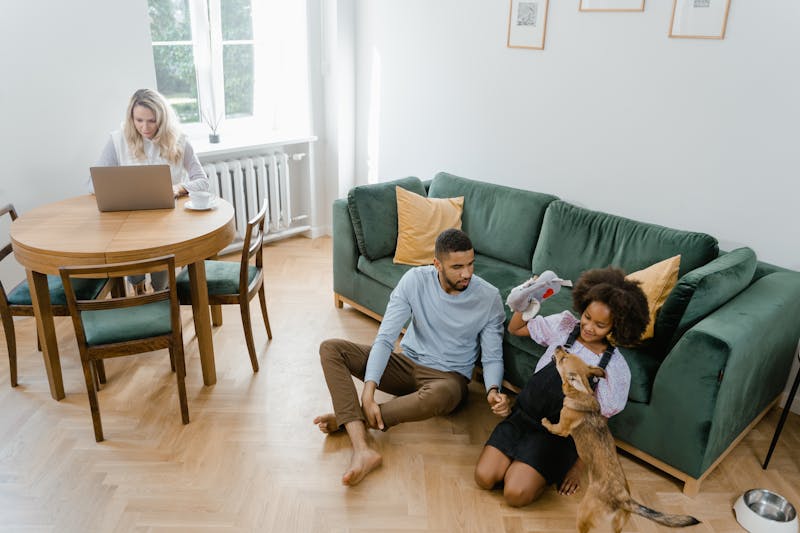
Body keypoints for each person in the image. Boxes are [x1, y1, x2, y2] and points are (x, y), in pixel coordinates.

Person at [314, 228, 511, 486]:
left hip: (448, 380)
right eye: (458, 267)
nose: (467, 274)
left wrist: (493, 390)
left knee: (441, 394)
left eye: (471, 264)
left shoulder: (488, 297)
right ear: (437, 264)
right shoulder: (415, 281)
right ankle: (362, 449)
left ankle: (348, 418)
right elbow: (385, 337)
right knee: (331, 348)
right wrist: (368, 391)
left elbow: (493, 356)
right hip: (406, 363)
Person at [474, 267, 649, 507]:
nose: (588, 327)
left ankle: (542, 466)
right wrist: (526, 301)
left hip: (556, 437)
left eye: (600, 325)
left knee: (515, 494)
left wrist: (577, 468)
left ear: (615, 327)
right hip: (522, 419)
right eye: (587, 316)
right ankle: (520, 462)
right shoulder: (564, 325)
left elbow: (597, 425)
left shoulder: (614, 368)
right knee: (484, 478)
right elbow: (515, 328)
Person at [92, 88, 210, 294]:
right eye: (139, 120)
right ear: (131, 118)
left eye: (151, 121)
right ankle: (139, 293)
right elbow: (94, 184)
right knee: (133, 260)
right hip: (129, 223)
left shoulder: (179, 140)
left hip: (167, 222)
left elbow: (202, 181)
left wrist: (177, 188)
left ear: (162, 119)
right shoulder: (117, 140)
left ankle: (161, 296)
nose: (144, 127)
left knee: (161, 267)